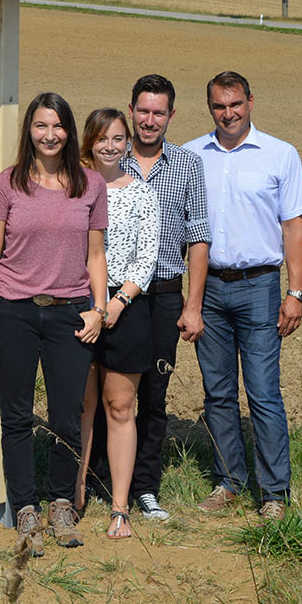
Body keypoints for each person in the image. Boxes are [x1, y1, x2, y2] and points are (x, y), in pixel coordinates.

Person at [0, 92, 108, 555]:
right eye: (40, 126)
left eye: (57, 126)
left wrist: (99, 307)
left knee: (66, 417)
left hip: (70, 313)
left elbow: (95, 255)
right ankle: (26, 511)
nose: (49, 135)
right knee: (15, 418)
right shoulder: (6, 186)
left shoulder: (89, 185)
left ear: (69, 132)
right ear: (28, 131)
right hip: (15, 311)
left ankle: (61, 505)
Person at [184, 71, 302, 520]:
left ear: (250, 102)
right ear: (210, 107)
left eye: (235, 104)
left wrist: (295, 293)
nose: (228, 113)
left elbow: (293, 226)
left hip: (260, 286)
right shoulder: (192, 156)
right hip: (209, 287)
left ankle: (274, 493)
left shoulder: (280, 155)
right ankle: (229, 482)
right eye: (219, 106)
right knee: (217, 393)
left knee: (263, 393)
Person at [97, 74, 210, 522]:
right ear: (131, 110)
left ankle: (145, 486)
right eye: (142, 111)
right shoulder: (107, 160)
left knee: (154, 395)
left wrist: (193, 305)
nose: (149, 120)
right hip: (107, 296)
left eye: (158, 112)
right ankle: (95, 476)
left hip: (161, 296)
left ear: (171, 115)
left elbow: (198, 238)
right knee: (101, 391)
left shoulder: (187, 165)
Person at [75, 109, 159, 539]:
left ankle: (120, 508)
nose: (110, 145)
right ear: (88, 142)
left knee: (120, 407)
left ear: (128, 143)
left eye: (118, 138)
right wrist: (94, 305)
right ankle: (73, 496)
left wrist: (117, 303)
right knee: (82, 407)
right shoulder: (74, 190)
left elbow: (147, 258)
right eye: (101, 138)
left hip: (125, 310)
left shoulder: (143, 193)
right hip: (79, 307)